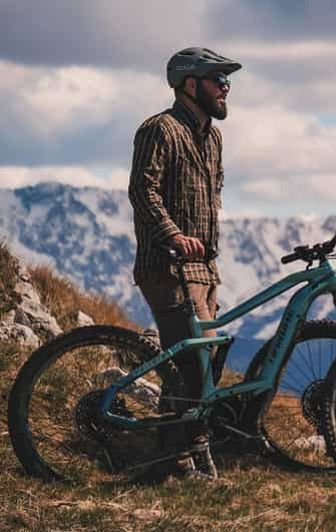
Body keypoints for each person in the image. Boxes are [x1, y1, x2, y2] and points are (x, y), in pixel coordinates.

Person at [128, 47, 241, 480]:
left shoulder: (212, 136)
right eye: (218, 79)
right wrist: (173, 235)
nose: (226, 87)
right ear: (190, 84)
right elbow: (143, 190)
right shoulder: (160, 129)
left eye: (227, 81)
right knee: (190, 366)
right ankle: (170, 459)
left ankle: (193, 448)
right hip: (168, 266)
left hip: (205, 269)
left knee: (206, 364)